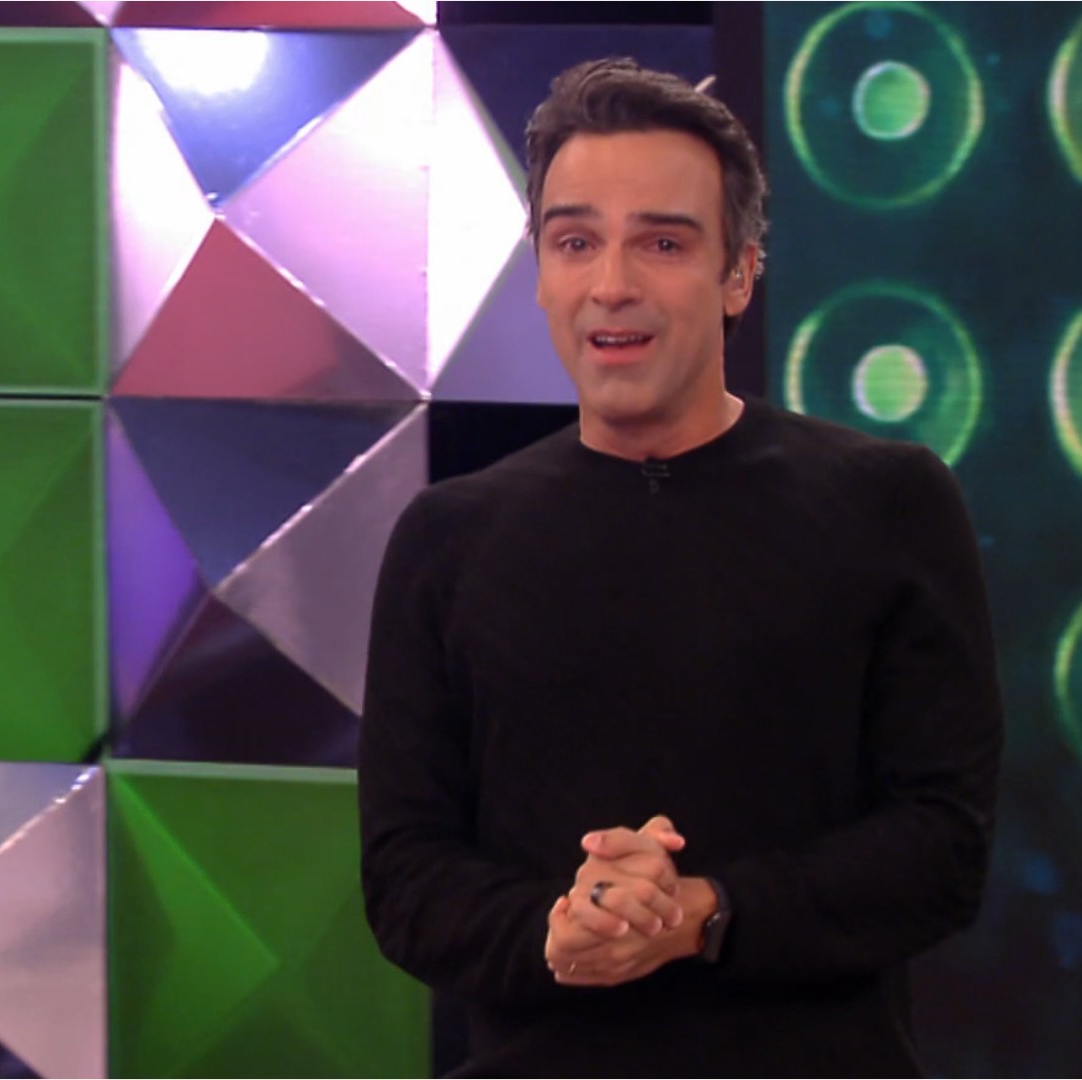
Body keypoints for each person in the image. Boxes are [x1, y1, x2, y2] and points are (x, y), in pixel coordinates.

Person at [357, 59, 1002, 1076]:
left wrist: (704, 913)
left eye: (662, 242)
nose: (612, 284)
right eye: (576, 242)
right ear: (541, 272)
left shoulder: (889, 503)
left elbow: (942, 846)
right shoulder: (449, 539)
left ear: (739, 273)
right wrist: (560, 926)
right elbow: (405, 876)